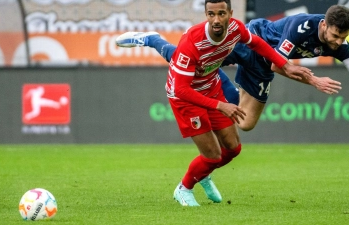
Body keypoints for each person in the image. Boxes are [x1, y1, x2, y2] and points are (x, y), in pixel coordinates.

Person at [119, 0, 316, 207]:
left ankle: (201, 174)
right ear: (205, 14)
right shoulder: (192, 43)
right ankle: (184, 188)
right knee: (212, 156)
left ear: (230, 13)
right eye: (211, 14)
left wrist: (286, 65)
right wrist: (220, 105)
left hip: (210, 85)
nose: (216, 19)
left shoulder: (236, 28)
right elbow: (181, 89)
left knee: (232, 149)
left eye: (221, 14)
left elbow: (256, 43)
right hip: (185, 98)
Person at [117, 5, 349, 129]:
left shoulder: (340, 44)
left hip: (265, 65)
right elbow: (277, 62)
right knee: (197, 65)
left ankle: (222, 79)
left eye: (342, 37)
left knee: (246, 124)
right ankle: (154, 40)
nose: (338, 42)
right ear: (323, 25)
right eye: (334, 36)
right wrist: (314, 81)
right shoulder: (301, 26)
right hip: (256, 43)